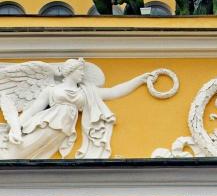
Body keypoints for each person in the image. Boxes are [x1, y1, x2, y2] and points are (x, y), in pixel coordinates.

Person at [0, 58, 152, 159]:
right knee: (21, 149)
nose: (82, 74)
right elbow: (32, 110)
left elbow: (114, 92)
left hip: (60, 132)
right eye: (80, 71)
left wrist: (140, 79)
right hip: (45, 125)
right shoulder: (52, 90)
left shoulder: (85, 92)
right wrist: (15, 128)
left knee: (33, 152)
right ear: (71, 71)